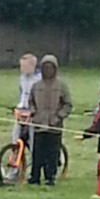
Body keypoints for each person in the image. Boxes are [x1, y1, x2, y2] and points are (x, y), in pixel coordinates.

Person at [28, 54, 72, 186]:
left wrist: (59, 116)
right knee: (37, 152)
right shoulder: (36, 86)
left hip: (54, 126)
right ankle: (35, 176)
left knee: (52, 153)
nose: (47, 70)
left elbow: (68, 104)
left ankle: (50, 176)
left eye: (50, 67)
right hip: (39, 125)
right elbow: (31, 101)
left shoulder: (61, 86)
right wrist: (33, 112)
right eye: (45, 67)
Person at [13, 53, 41, 146]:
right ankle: (15, 155)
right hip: (22, 110)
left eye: (24, 66)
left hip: (33, 111)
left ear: (32, 66)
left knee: (33, 138)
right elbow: (21, 93)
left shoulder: (39, 79)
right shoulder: (22, 78)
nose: (22, 68)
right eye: (21, 66)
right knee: (16, 135)